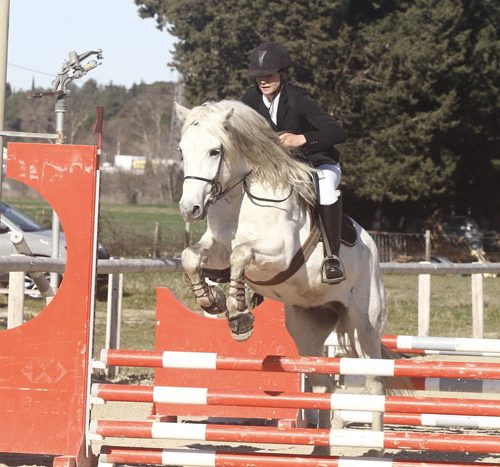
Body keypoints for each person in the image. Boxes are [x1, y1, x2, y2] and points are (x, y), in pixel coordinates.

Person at [241, 42, 347, 284]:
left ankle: (333, 258)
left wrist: (303, 138)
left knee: (326, 189)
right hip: (279, 167)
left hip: (316, 162)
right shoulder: (251, 99)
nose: (263, 81)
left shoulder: (299, 99)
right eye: (258, 77)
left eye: (268, 75)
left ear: (282, 74)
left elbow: (338, 132)